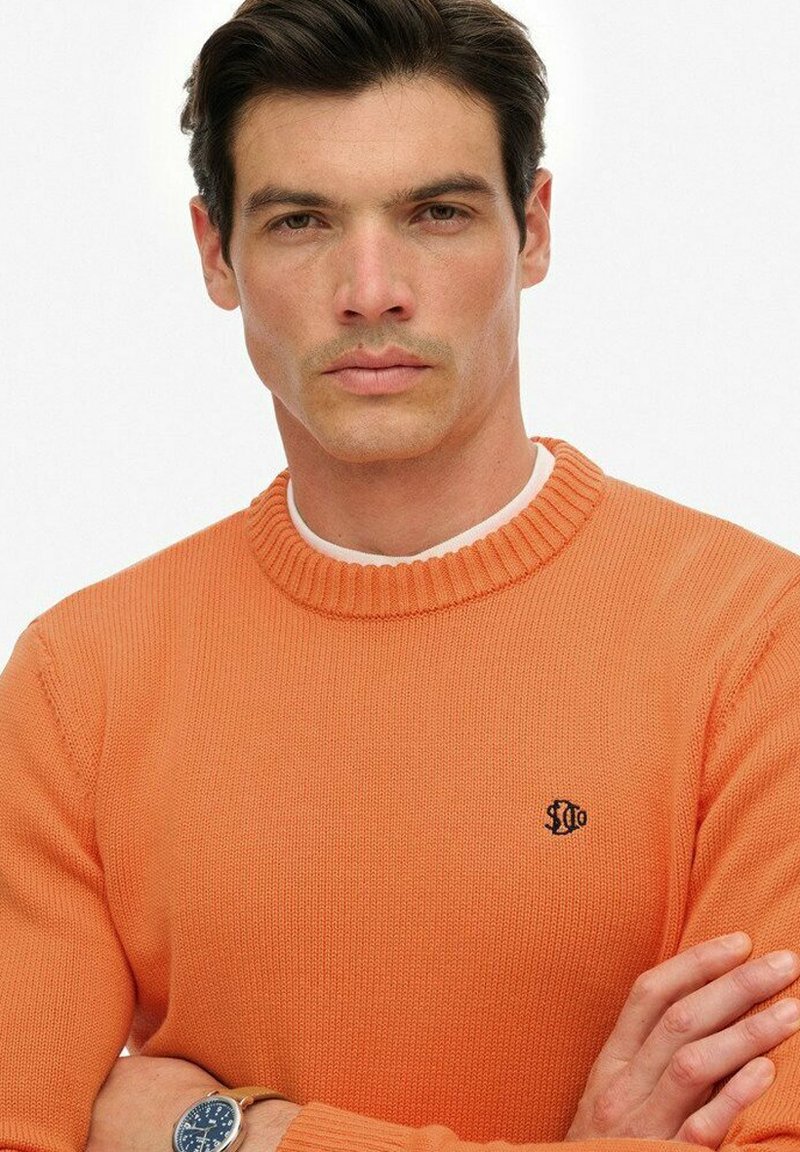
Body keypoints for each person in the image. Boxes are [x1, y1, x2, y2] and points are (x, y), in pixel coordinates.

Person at [1, 1, 799, 1150]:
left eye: (435, 213)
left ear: (531, 230)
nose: (370, 289)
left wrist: (234, 1135)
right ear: (215, 255)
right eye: (300, 221)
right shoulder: (79, 683)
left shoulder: (755, 643)